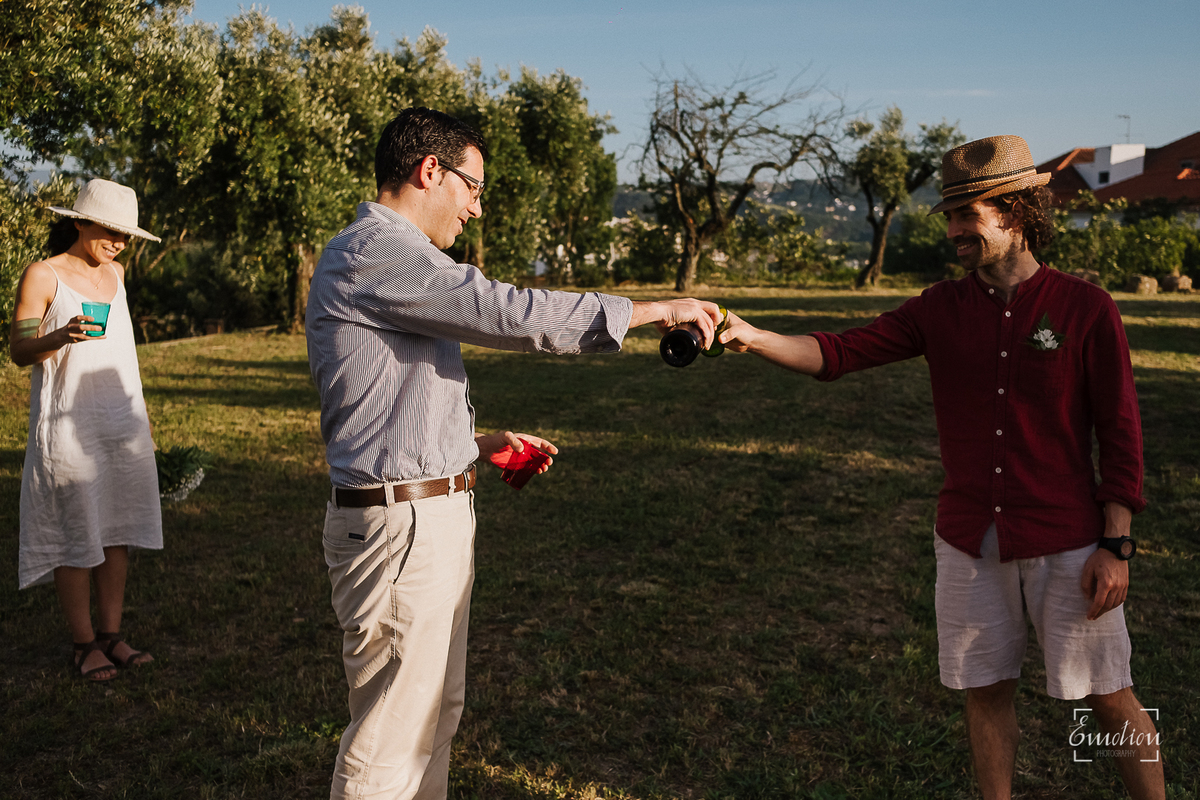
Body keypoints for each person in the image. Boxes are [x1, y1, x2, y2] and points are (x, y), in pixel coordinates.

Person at [718, 136, 1165, 800]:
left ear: (1015, 213)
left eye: (969, 215)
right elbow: (839, 353)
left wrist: (1116, 541)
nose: (954, 230)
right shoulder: (938, 309)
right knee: (985, 694)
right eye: (950, 216)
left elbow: (1120, 433)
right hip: (968, 540)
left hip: (1069, 541)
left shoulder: (1085, 309)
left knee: (1107, 695)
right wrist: (753, 336)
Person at [306, 106, 721, 800]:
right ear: (429, 170)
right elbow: (506, 311)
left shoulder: (394, 262)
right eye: (473, 187)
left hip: (421, 519)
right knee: (389, 739)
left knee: (431, 718)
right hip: (401, 533)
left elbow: (379, 407)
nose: (474, 208)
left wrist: (469, 446)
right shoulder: (374, 250)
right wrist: (652, 311)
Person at [11, 178, 164, 682]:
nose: (118, 243)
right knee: (75, 528)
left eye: (126, 235)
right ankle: (82, 645)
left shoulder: (117, 274)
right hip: (67, 427)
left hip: (119, 423)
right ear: (79, 222)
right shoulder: (44, 275)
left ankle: (111, 637)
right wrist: (59, 335)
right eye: (109, 231)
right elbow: (18, 350)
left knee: (117, 527)